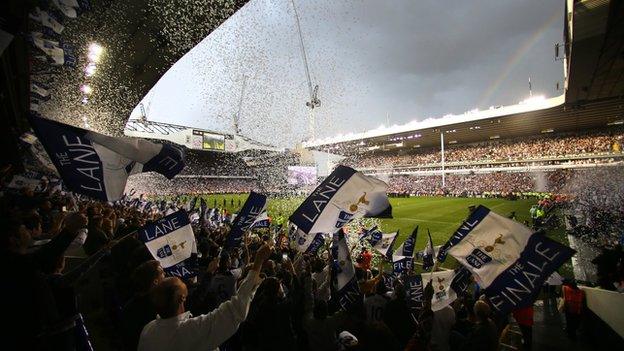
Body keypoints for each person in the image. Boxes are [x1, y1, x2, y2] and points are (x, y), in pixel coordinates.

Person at [138, 244, 271, 351]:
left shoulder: (148, 330)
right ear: (182, 299)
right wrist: (258, 263)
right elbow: (235, 310)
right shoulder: (190, 332)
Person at [121, 260, 166, 350]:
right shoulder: (158, 308)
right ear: (155, 281)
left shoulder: (129, 305)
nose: (165, 274)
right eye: (162, 273)